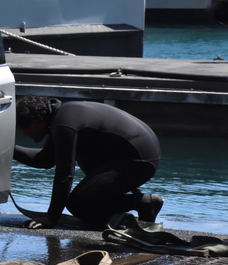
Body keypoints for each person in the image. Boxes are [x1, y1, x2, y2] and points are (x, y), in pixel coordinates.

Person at [13, 95, 163, 229]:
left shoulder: (63, 123)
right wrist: (8, 150)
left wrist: (50, 218)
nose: (25, 133)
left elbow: (65, 175)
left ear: (36, 120)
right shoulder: (61, 117)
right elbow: (45, 160)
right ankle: (130, 209)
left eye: (25, 128)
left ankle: (143, 203)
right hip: (135, 155)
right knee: (83, 199)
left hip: (139, 160)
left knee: (78, 204)